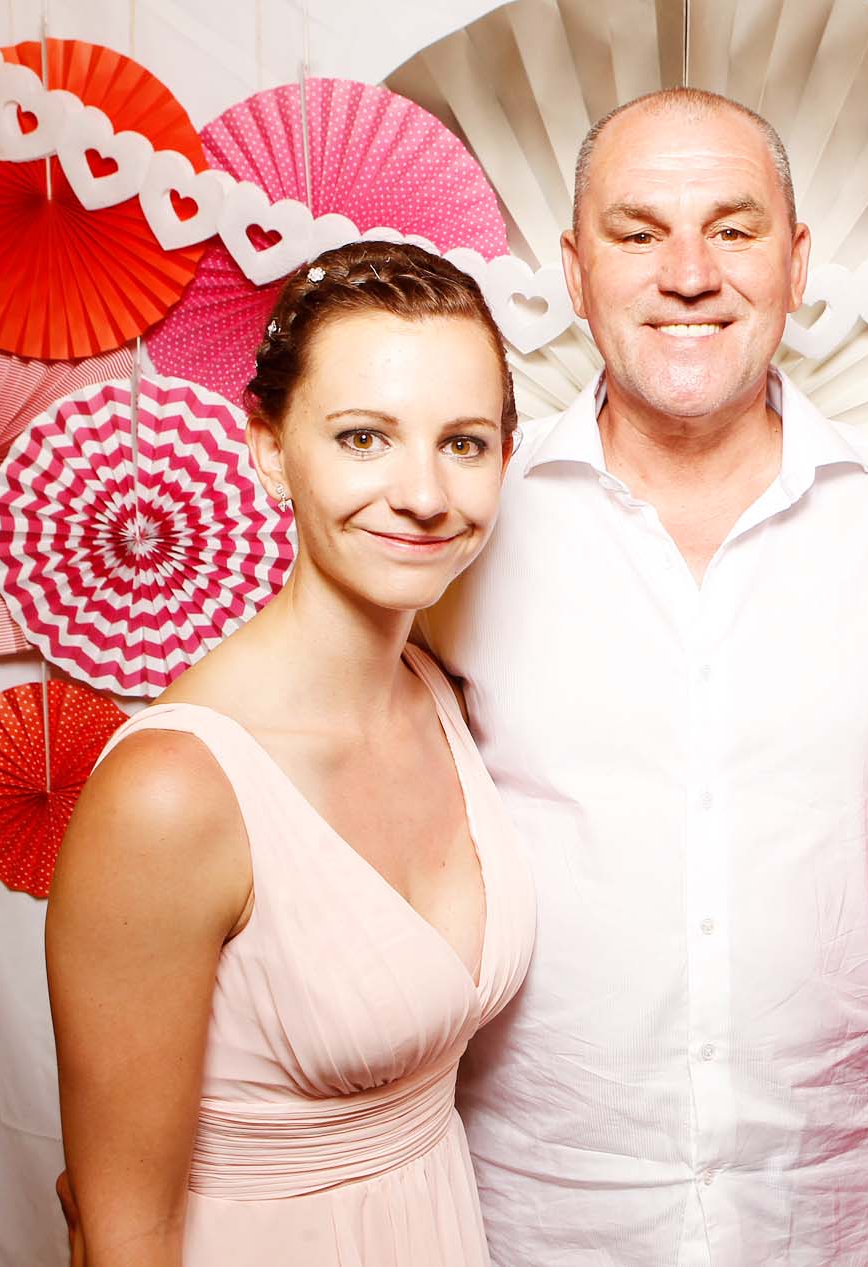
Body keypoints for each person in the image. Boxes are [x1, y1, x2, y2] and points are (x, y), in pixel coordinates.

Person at [420, 89, 868, 1264]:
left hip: (841, 1209)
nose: (689, 274)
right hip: (541, 1213)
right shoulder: (458, 523)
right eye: (638, 231)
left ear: (797, 261)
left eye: (733, 229)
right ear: (573, 269)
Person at [45, 241, 534, 1267]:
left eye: (463, 442)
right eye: (363, 437)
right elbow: (121, 1229)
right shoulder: (171, 793)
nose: (423, 493)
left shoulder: (439, 692)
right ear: (268, 449)